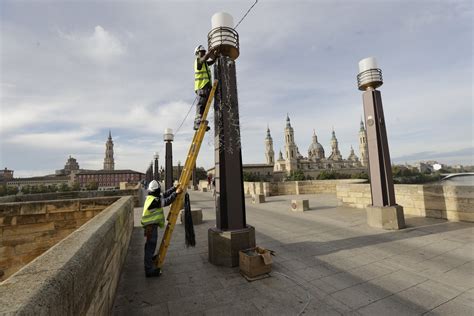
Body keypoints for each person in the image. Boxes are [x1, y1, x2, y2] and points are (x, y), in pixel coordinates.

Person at [141, 180, 182, 277]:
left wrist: (174, 188)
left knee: (150, 246)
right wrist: (176, 193)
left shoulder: (152, 197)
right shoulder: (154, 201)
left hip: (150, 226)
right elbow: (166, 201)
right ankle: (149, 270)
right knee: (150, 246)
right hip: (150, 227)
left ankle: (149, 260)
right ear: (156, 190)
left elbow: (164, 194)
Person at [194, 45, 217, 131]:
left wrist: (215, 55)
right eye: (202, 52)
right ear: (197, 53)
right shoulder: (198, 61)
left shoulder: (205, 63)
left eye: (204, 52)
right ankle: (197, 123)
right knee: (200, 105)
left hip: (207, 87)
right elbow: (203, 59)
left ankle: (201, 123)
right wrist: (209, 53)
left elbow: (212, 61)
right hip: (201, 87)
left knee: (204, 108)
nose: (203, 53)